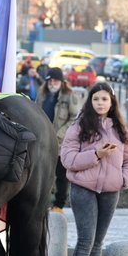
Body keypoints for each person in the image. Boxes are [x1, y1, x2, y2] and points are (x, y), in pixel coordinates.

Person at [59, 81, 128, 256]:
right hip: (84, 189)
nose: (100, 103)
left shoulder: (121, 129)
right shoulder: (79, 126)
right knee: (85, 241)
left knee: (98, 243)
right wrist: (96, 155)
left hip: (110, 191)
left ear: (112, 102)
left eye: (104, 99)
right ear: (90, 102)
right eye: (96, 99)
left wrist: (124, 179)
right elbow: (68, 159)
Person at [38, 67, 82, 212]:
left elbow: (75, 118)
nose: (52, 83)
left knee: (61, 175)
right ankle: (43, 202)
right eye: (50, 80)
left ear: (61, 82)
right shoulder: (42, 94)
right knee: (43, 173)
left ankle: (59, 204)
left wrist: (58, 134)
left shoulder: (70, 96)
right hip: (43, 142)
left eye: (55, 80)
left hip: (61, 143)